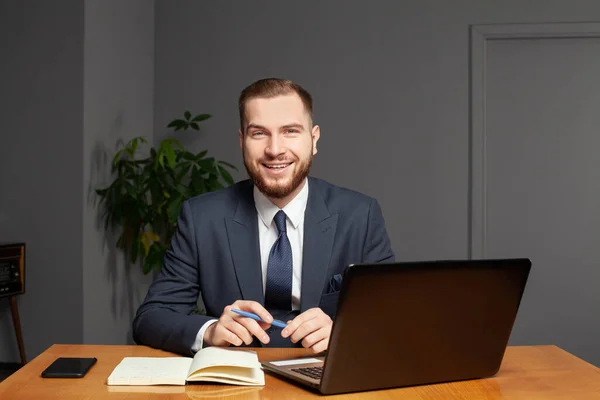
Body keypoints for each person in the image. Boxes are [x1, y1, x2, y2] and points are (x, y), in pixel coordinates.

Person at [132, 78, 395, 356]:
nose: (275, 149)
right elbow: (151, 317)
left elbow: (394, 316)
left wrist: (344, 332)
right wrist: (209, 332)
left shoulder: (360, 215)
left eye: (290, 131)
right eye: (259, 133)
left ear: (313, 139)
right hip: (235, 383)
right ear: (242, 141)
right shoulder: (201, 218)